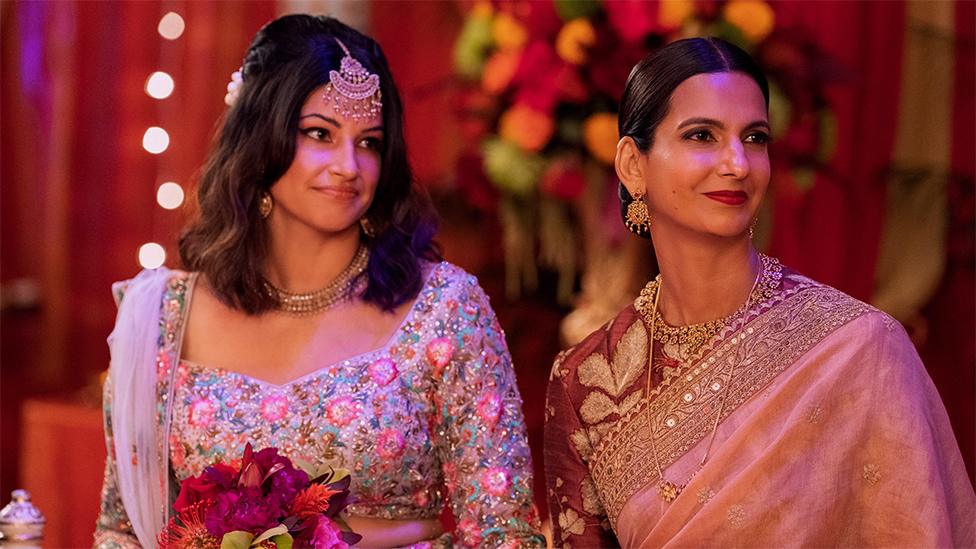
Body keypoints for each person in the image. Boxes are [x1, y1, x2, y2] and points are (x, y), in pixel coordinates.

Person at [93, 15, 545, 549]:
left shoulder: (444, 309)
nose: (348, 165)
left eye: (370, 142)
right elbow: (121, 531)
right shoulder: (164, 317)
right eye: (319, 134)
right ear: (260, 139)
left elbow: (504, 533)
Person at [544, 37, 975, 548]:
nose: (738, 164)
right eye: (702, 135)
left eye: (755, 138)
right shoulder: (586, 381)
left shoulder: (862, 348)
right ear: (633, 165)